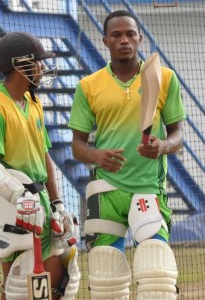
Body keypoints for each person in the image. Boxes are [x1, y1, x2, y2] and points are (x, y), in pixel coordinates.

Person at [68, 10, 186, 300]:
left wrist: (162, 146)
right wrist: (97, 156)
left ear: (140, 38)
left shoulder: (165, 78)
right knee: (105, 279)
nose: (124, 40)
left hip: (148, 187)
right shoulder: (88, 86)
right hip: (106, 189)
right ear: (105, 40)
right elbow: (77, 145)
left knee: (156, 275)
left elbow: (177, 135)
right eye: (117, 35)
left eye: (130, 34)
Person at [0, 32, 80, 300]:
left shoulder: (34, 102)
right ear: (21, 65)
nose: (43, 68)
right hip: (11, 205)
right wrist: (20, 199)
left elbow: (44, 156)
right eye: (39, 62)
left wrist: (57, 204)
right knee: (18, 288)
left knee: (60, 283)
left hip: (41, 200)